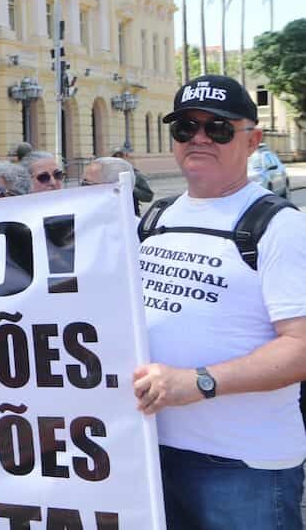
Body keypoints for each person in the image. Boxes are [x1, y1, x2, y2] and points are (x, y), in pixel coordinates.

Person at [131, 75, 306, 528]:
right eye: (186, 127)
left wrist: (201, 382)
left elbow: (301, 345)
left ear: (253, 139)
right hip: (146, 453)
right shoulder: (155, 218)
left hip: (240, 467)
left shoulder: (281, 226)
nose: (200, 138)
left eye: (219, 128)